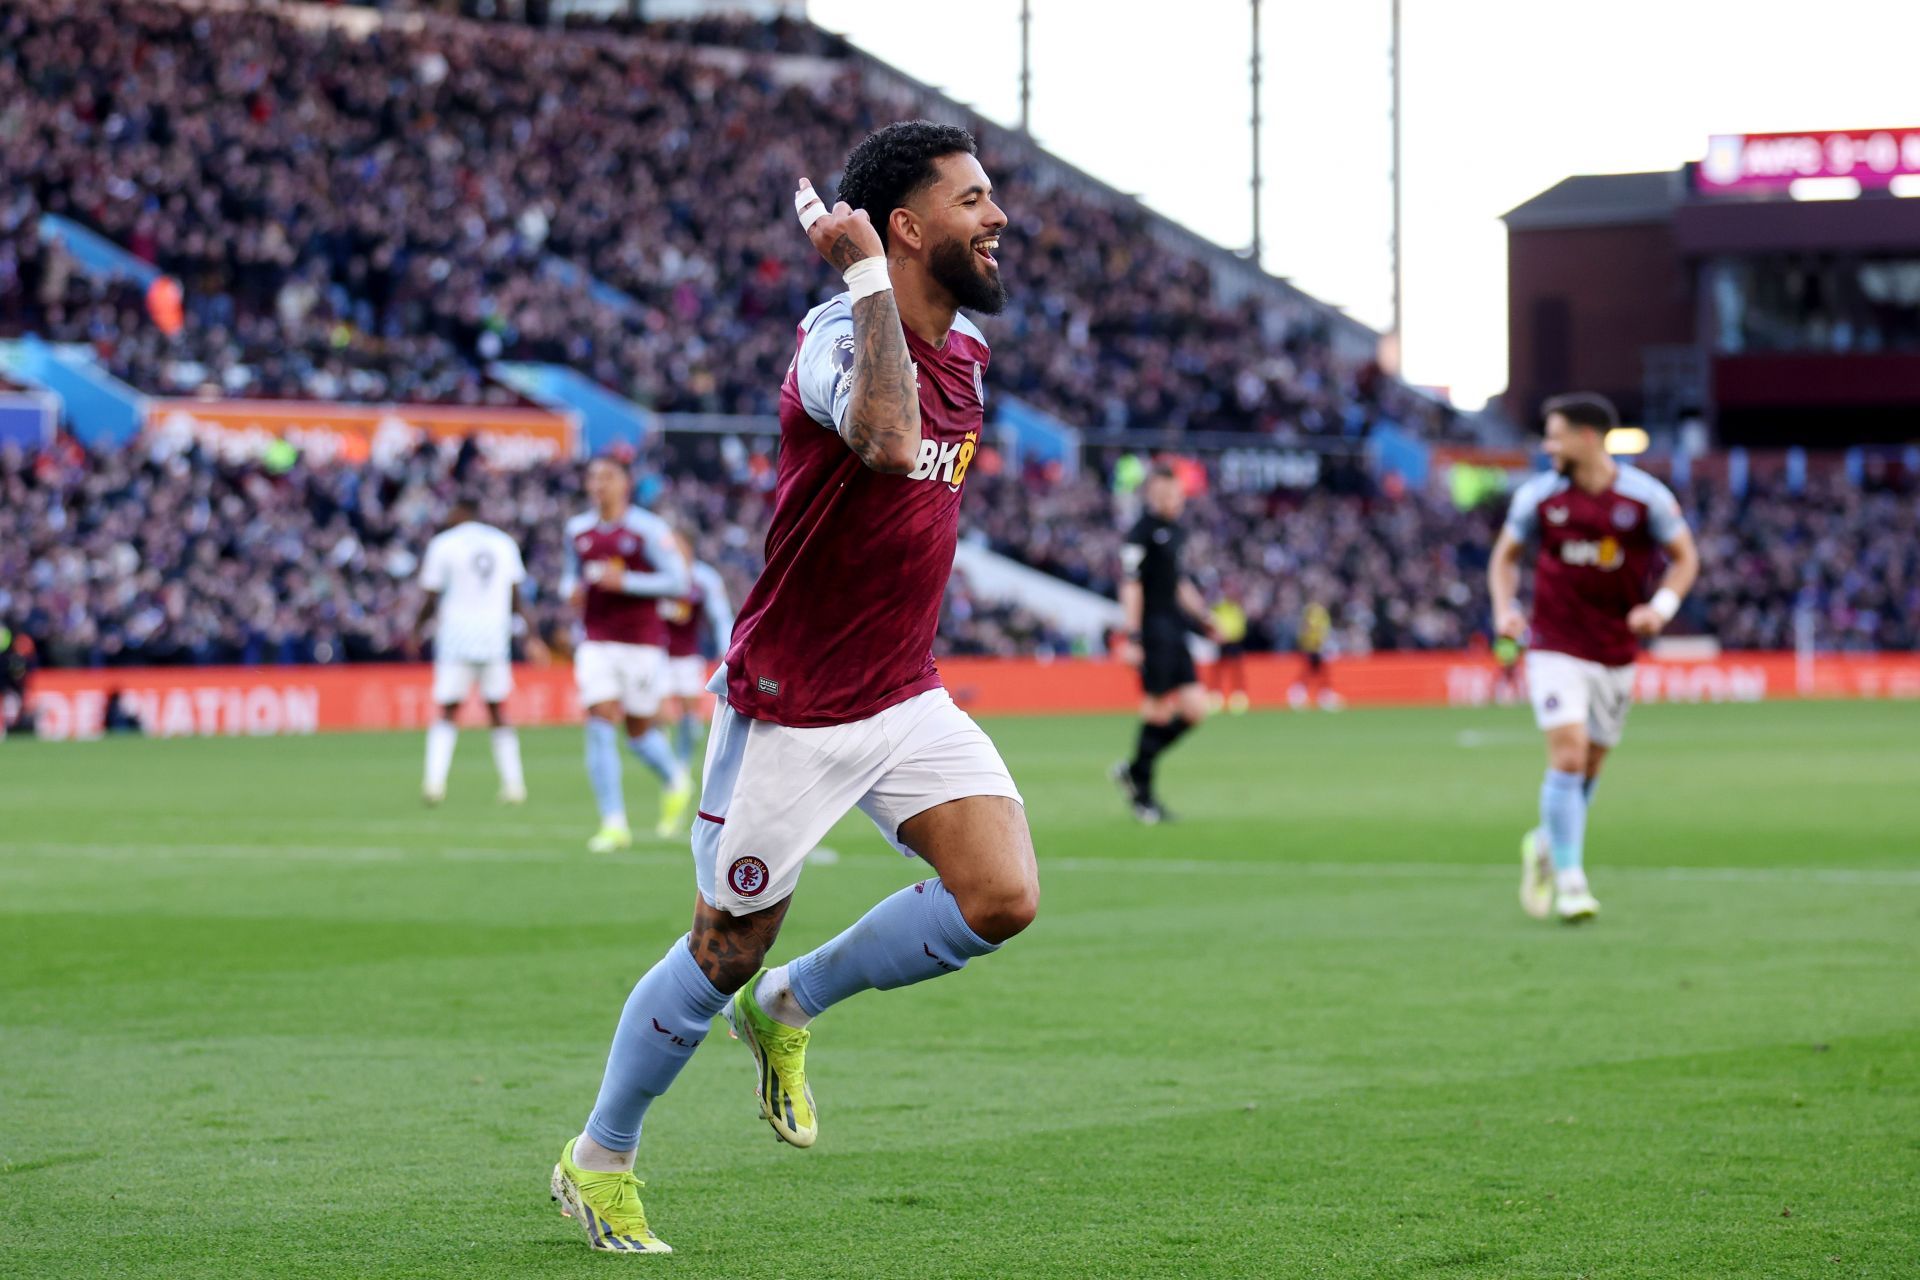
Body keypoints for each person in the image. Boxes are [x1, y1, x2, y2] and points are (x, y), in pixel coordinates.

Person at [547, 120, 1037, 1255]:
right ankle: (600, 1155)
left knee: (1001, 896)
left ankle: (792, 1007)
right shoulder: (831, 339)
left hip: (904, 693)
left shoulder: (965, 345)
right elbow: (879, 435)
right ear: (907, 228)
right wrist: (864, 276)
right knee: (724, 943)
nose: (997, 215)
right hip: (793, 702)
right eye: (972, 200)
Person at [1488, 392, 1700, 924]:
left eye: (1555, 434)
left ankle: (1545, 841)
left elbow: (1685, 557)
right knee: (1566, 756)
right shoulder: (1538, 497)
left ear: (1587, 437)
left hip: (1616, 652)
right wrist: (1504, 608)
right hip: (1555, 644)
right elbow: (1504, 558)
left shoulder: (1645, 498)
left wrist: (1662, 607)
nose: (1546, 445)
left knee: (1588, 768)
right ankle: (1571, 882)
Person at [565, 459, 694, 850]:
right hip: (596, 640)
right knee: (600, 718)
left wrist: (628, 581)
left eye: (607, 477)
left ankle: (675, 778)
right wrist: (567, 589)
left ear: (625, 484)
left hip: (641, 644)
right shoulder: (577, 530)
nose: (598, 485)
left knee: (638, 733)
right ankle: (614, 823)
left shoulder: (649, 530)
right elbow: (569, 574)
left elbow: (678, 581)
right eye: (593, 478)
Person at [413, 498, 547, 805]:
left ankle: (434, 783)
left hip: (456, 639)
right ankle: (514, 785)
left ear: (461, 512)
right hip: (494, 638)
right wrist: (532, 634)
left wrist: (415, 629)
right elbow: (517, 597)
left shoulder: (443, 544)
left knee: (448, 709)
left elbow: (431, 596)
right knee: (498, 709)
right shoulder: (503, 543)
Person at [1110, 461, 1218, 824]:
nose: (1176, 500)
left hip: (1175, 627)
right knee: (1156, 708)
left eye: (1178, 493)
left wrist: (1204, 617)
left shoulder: (1175, 532)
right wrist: (1133, 634)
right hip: (1152, 629)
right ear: (1153, 494)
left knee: (1195, 709)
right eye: (1169, 494)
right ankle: (1144, 796)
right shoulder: (1140, 535)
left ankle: (1134, 769)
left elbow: (1178, 582)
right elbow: (1130, 585)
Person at [659, 531, 735, 775]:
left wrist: (728, 650)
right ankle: (668, 765)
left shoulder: (704, 579)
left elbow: (721, 617)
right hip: (657, 656)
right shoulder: (657, 575)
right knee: (656, 713)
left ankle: (681, 762)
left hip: (688, 657)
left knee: (689, 717)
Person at [1287, 601, 1338, 710]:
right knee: (1313, 673)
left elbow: (1321, 632)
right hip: (1313, 648)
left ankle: (1319, 695)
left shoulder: (1318, 615)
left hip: (1316, 648)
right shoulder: (1313, 615)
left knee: (1316, 672)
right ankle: (1303, 695)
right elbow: (1310, 632)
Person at [1208, 590, 1250, 714]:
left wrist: (1232, 635)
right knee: (1218, 671)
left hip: (1235, 642)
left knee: (1236, 671)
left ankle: (1238, 696)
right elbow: (1212, 620)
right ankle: (1216, 696)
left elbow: (1241, 627)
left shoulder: (1237, 608)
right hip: (1222, 642)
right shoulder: (1220, 607)